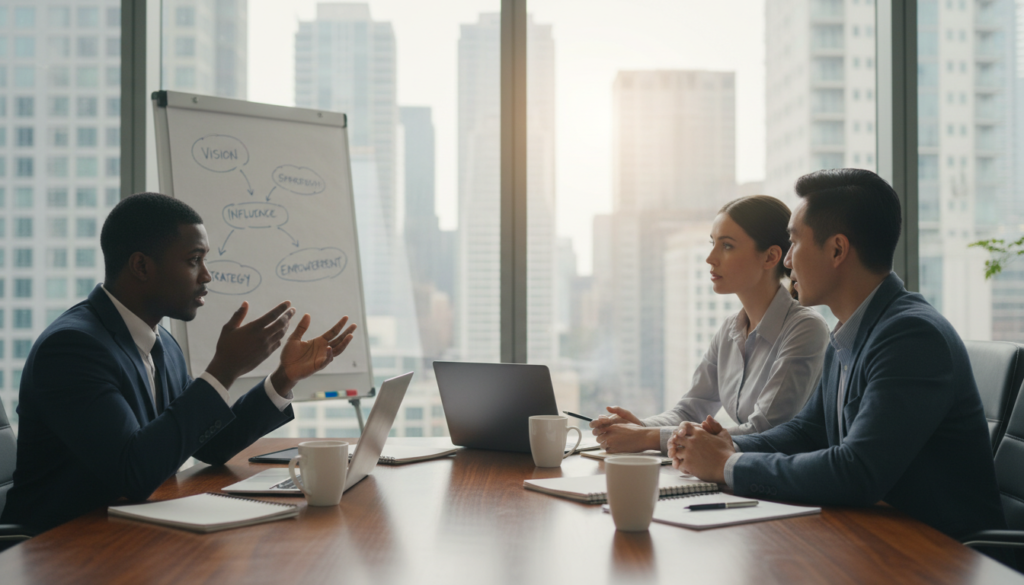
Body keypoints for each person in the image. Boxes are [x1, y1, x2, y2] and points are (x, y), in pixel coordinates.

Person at [668, 169, 1006, 541]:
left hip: (943, 555)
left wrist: (729, 465)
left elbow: (857, 471)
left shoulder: (911, 336)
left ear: (837, 250)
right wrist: (729, 445)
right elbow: (808, 431)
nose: (788, 261)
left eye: (795, 243)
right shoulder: (849, 331)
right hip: (878, 537)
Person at [2, 193, 358, 534]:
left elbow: (210, 445)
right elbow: (133, 473)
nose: (206, 275)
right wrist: (224, 369)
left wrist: (283, 378)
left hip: (128, 533)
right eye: (193, 260)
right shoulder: (72, 348)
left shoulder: (161, 343)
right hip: (61, 549)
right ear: (141, 265)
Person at [591, 196, 829, 454]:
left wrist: (647, 436)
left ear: (771, 257)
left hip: (786, 485)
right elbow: (690, 409)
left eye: (726, 246)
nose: (710, 258)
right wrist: (638, 427)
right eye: (712, 243)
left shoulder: (805, 329)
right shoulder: (730, 330)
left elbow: (764, 429)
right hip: (743, 473)